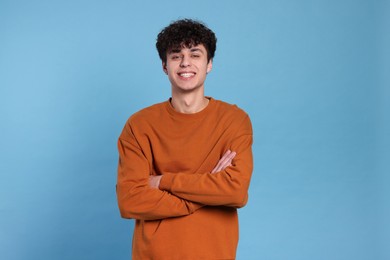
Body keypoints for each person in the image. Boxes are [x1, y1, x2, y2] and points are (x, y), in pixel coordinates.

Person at [116, 19, 253, 260]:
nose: (185, 63)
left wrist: (161, 181)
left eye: (195, 54)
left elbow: (236, 192)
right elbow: (130, 200)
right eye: (176, 55)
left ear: (209, 64)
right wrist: (208, 188)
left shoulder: (234, 120)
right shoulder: (139, 125)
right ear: (164, 66)